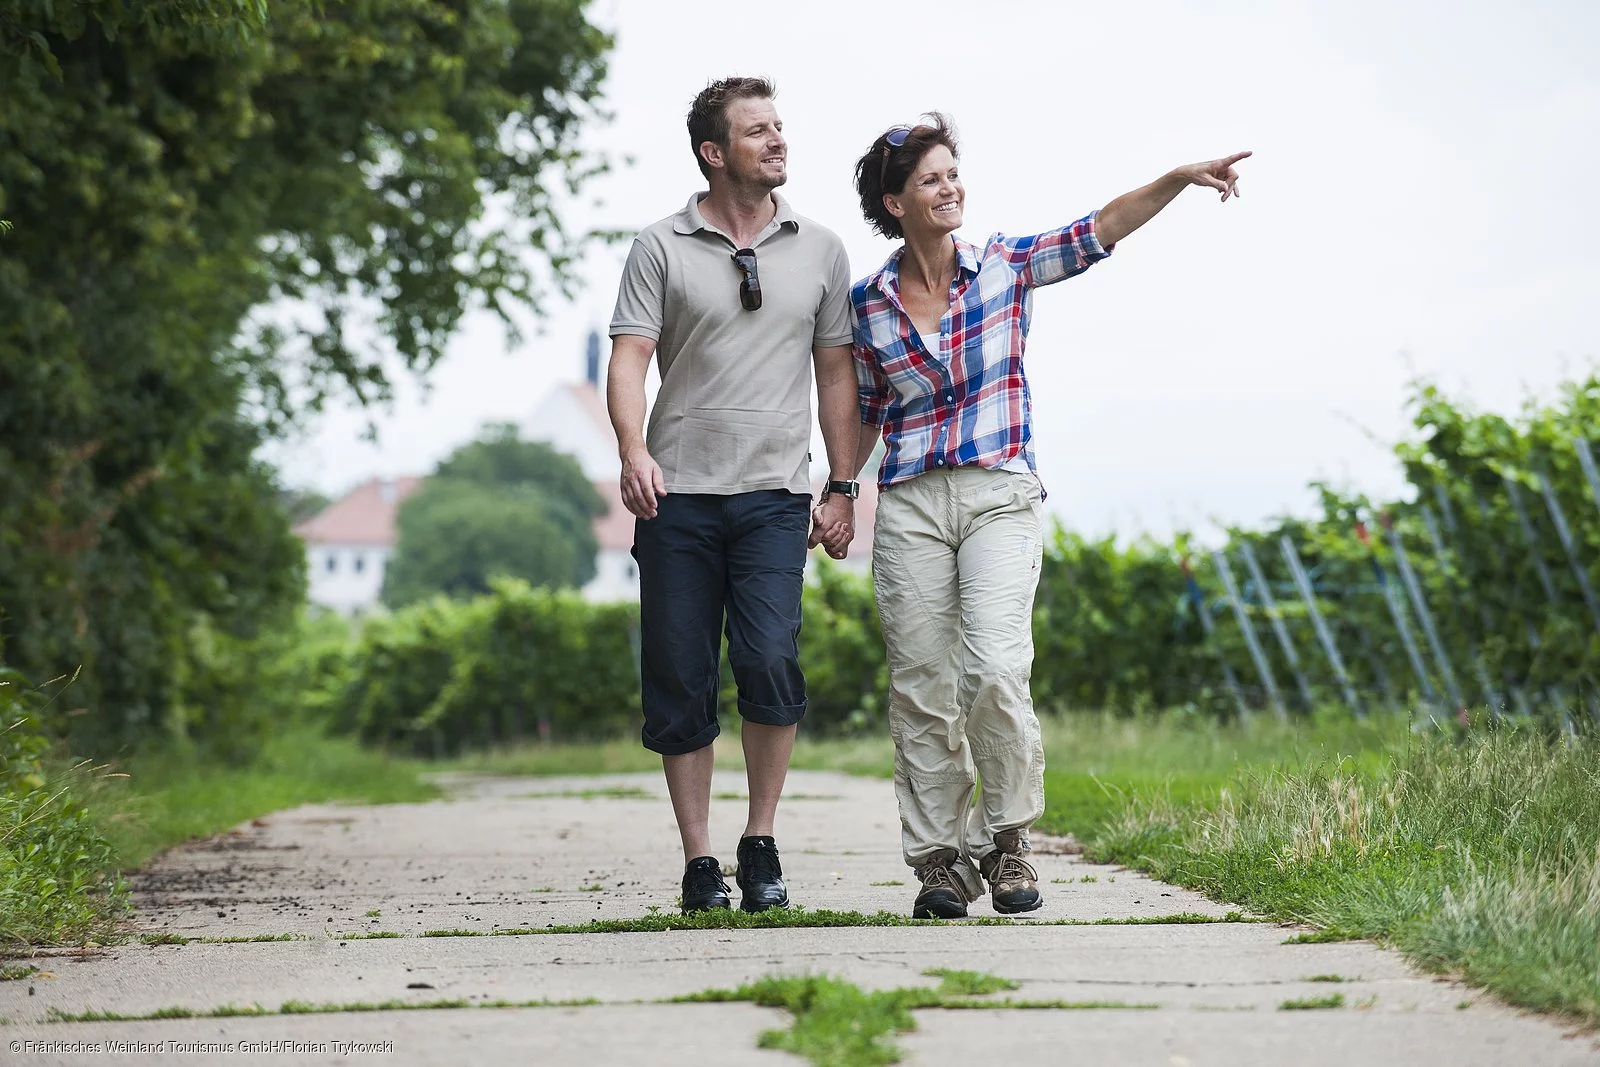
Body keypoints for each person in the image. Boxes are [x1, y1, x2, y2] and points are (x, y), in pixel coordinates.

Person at [839, 114, 1248, 919]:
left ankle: (1008, 841)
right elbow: (864, 409)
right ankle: (940, 864)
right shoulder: (869, 305)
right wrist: (839, 487)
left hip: (999, 491)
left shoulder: (1005, 265)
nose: (950, 187)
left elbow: (1097, 230)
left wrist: (1174, 177)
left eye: (954, 172)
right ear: (895, 202)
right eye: (930, 179)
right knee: (921, 687)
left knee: (993, 668)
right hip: (914, 500)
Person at [606, 76, 859, 915]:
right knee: (679, 675)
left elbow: (835, 374)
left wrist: (843, 479)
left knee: (768, 659)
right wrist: (633, 448)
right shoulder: (660, 245)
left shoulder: (819, 249)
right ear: (714, 152)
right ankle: (699, 859)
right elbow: (631, 358)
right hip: (676, 496)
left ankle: (760, 839)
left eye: (779, 127)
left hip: (775, 495)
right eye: (757, 131)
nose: (777, 140)